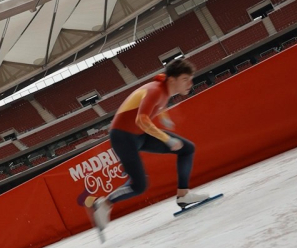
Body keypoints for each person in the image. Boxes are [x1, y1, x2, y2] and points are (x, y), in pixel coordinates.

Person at [90, 58, 211, 234]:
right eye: (185, 79)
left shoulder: (164, 89)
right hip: (123, 137)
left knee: (187, 148)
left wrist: (164, 118)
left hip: (139, 135)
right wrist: (166, 139)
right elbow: (141, 119)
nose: (190, 83)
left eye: (190, 79)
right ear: (172, 80)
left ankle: (183, 195)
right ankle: (104, 203)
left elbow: (155, 108)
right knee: (139, 186)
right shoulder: (156, 90)